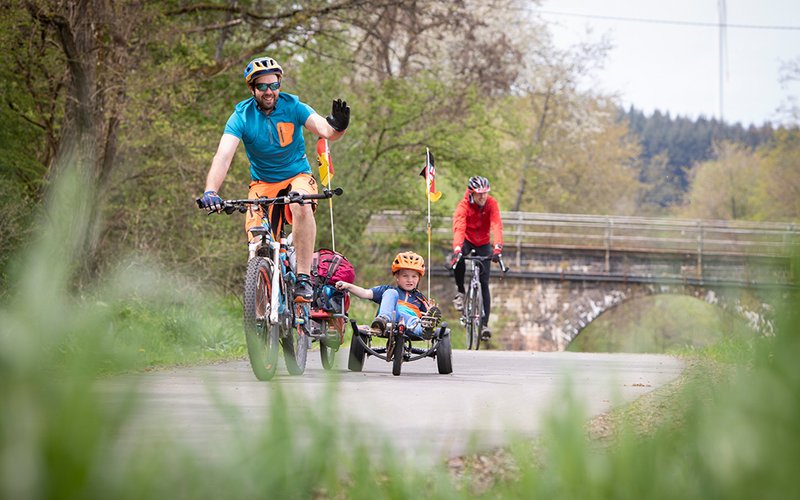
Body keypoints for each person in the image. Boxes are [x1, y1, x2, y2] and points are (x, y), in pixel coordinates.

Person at [198, 56, 350, 303]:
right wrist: (211, 191)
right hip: (263, 184)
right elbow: (223, 156)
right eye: (262, 87)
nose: (269, 92)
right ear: (252, 89)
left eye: (274, 85)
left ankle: (302, 278)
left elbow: (325, 131)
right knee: (257, 242)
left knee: (299, 202)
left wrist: (339, 127)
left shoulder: (294, 106)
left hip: (297, 176)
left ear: (279, 84)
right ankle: (261, 304)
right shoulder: (241, 116)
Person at [335, 251, 440, 339]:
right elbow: (365, 293)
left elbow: (426, 317)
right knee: (391, 293)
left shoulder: (420, 298)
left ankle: (422, 330)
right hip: (391, 321)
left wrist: (429, 314)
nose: (410, 280)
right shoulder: (387, 290)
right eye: (405, 276)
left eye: (414, 277)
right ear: (397, 276)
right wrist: (347, 286)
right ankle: (382, 321)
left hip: (410, 325)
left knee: (415, 320)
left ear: (419, 279)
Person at [450, 176, 504, 339]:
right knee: (458, 259)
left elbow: (496, 224)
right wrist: (458, 248)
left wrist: (498, 247)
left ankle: (484, 326)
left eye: (485, 193)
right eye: (479, 194)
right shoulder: (463, 206)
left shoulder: (491, 203)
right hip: (466, 239)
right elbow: (459, 228)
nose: (483, 197)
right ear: (472, 193)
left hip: (483, 243)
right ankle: (461, 291)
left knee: (484, 283)